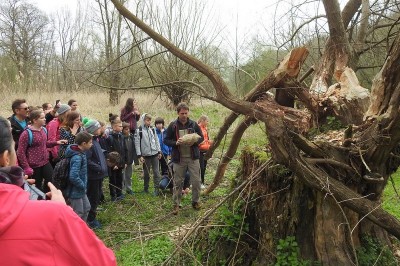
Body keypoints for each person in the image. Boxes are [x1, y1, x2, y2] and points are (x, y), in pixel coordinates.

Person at [0, 116, 117, 265]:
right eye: (13, 146)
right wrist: (61, 211)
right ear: (6, 159)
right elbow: (104, 261)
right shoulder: (54, 214)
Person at [164, 102, 204, 215]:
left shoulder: (193, 124)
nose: (184, 115)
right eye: (182, 113)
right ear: (178, 113)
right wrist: (175, 143)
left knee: (196, 181)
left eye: (186, 113)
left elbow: (201, 138)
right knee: (178, 182)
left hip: (193, 157)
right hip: (179, 159)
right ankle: (176, 204)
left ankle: (195, 201)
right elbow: (166, 140)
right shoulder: (173, 125)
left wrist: (194, 142)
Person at [16, 110, 66, 192]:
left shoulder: (43, 130)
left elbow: (44, 143)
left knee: (52, 182)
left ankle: (49, 199)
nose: (45, 119)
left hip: (45, 162)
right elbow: (20, 152)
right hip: (34, 166)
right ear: (35, 120)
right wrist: (26, 167)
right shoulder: (26, 134)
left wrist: (56, 142)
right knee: (37, 187)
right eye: (42, 118)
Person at [84, 120, 108, 229]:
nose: (100, 129)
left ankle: (93, 213)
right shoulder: (90, 142)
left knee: (97, 195)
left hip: (99, 174)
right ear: (93, 130)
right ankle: (91, 219)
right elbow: (87, 160)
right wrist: (99, 168)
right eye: (98, 128)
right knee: (93, 196)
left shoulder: (96, 140)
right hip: (93, 175)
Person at [64, 131, 93, 222]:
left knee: (87, 208)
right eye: (90, 143)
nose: (92, 144)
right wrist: (82, 185)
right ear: (84, 143)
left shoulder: (80, 153)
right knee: (78, 212)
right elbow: (73, 176)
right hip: (75, 191)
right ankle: (76, 232)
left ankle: (83, 229)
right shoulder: (77, 157)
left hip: (80, 190)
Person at [135, 114, 162, 196]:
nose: (149, 122)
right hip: (145, 156)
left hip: (154, 154)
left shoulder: (153, 129)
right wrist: (139, 155)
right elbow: (137, 144)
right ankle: (145, 188)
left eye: (150, 120)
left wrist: (159, 151)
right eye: (147, 120)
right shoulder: (139, 130)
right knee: (146, 173)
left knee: (156, 172)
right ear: (143, 120)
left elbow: (156, 141)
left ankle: (156, 189)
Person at [103, 119, 128, 202]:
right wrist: (114, 164)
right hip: (113, 164)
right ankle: (113, 195)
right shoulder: (109, 138)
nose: (121, 127)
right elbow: (109, 153)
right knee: (113, 179)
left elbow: (124, 150)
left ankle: (119, 193)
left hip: (120, 163)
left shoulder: (121, 137)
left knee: (119, 178)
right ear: (114, 127)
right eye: (120, 126)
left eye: (122, 126)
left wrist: (124, 162)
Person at [122, 122, 138, 195]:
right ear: (122, 130)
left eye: (128, 129)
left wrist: (135, 159)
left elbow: (133, 149)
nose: (127, 131)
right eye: (126, 129)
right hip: (124, 161)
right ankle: (123, 189)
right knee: (123, 176)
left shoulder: (131, 137)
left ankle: (129, 188)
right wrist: (123, 161)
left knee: (129, 175)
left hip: (130, 160)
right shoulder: (121, 138)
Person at [198, 115, 213, 189]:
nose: (208, 122)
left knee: (204, 166)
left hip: (206, 150)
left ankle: (202, 182)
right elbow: (197, 140)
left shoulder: (205, 129)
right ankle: (200, 182)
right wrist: (201, 142)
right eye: (207, 121)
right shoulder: (198, 128)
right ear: (202, 121)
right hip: (200, 150)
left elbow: (207, 139)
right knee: (201, 167)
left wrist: (210, 142)